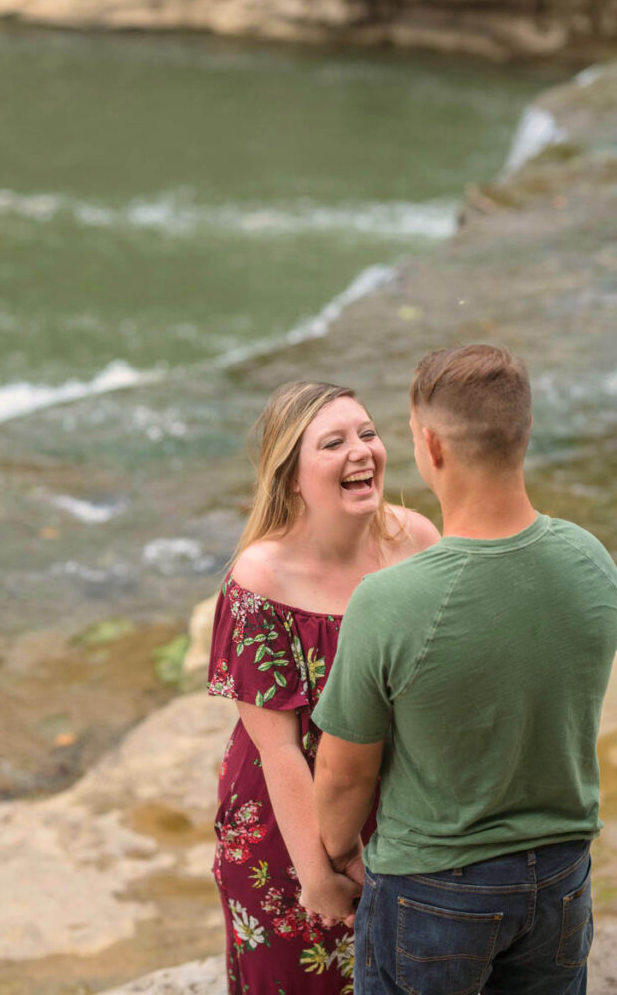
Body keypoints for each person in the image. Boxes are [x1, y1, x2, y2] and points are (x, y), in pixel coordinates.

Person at [307, 344, 617, 995]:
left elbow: (343, 772)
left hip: (433, 886)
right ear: (525, 432)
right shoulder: (590, 560)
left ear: (430, 446)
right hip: (561, 876)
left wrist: (336, 856)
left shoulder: (391, 600)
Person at [207, 381, 440, 995]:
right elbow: (277, 748)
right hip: (289, 831)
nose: (361, 451)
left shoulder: (416, 542)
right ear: (290, 478)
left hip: (400, 818)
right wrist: (317, 872)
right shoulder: (261, 578)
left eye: (367, 433)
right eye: (333, 442)